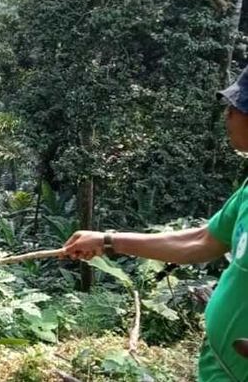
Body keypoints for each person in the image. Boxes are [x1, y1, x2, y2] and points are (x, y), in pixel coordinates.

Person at [63, 66, 248, 382]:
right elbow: (203, 241)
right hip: (220, 369)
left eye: (237, 107)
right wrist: (107, 240)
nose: (227, 116)